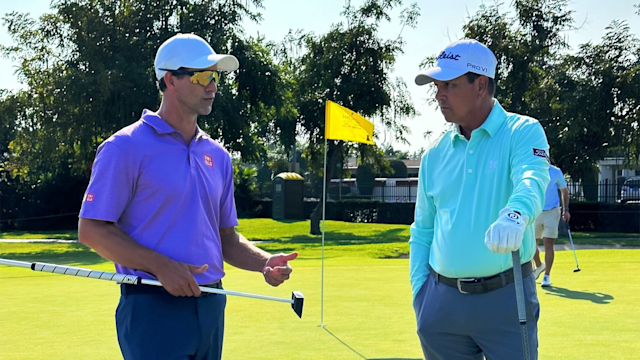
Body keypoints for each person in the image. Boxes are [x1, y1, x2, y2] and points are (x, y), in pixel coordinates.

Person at [78, 33, 297, 360]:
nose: (213, 87)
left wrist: (264, 263)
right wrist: (161, 266)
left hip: (211, 303)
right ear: (170, 80)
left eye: (215, 77)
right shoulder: (124, 147)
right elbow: (92, 230)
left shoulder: (218, 156)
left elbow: (226, 239)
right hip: (152, 305)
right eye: (203, 76)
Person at [410, 39, 550, 359]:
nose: (439, 94)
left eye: (450, 84)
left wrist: (515, 215)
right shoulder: (434, 154)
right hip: (440, 303)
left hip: (505, 298)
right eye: (437, 86)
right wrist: (421, 295)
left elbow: (531, 179)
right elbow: (423, 231)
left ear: (481, 85)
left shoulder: (522, 131)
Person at [533, 156, 571, 286]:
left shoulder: (555, 171)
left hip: (552, 211)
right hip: (536, 211)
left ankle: (547, 276)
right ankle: (539, 266)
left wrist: (565, 210)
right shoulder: (533, 170)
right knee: (532, 245)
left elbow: (564, 191)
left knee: (548, 243)